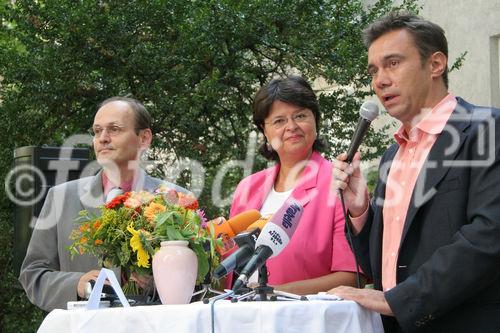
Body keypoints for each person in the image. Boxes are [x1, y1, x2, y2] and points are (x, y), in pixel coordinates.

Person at [328, 12, 500, 332]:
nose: (379, 80)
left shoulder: (487, 128)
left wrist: (401, 301)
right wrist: (361, 211)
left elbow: (489, 237)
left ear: (435, 64)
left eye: (393, 63)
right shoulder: (391, 156)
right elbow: (381, 267)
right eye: (373, 70)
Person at [19, 97, 187, 311]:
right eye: (97, 131)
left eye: (114, 129)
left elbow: (200, 280)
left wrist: (160, 284)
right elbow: (33, 274)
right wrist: (76, 285)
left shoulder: (176, 200)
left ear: (144, 138)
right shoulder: (60, 197)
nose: (103, 138)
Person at [229, 76, 361, 295]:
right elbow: (230, 267)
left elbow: (352, 276)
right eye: (279, 121)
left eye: (300, 116)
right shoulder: (248, 187)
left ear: (315, 121)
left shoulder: (338, 181)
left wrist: (273, 293)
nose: (291, 127)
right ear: (265, 131)